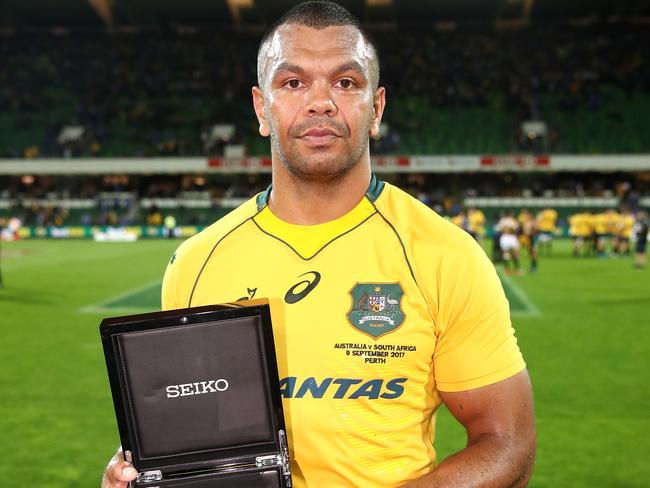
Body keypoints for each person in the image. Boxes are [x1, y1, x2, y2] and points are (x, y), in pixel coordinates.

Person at [102, 2, 535, 487]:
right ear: (262, 109)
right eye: (292, 83)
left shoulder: (444, 255)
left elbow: (508, 444)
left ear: (376, 109)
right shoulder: (196, 264)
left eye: (346, 83)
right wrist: (143, 470)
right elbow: (195, 431)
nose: (321, 101)